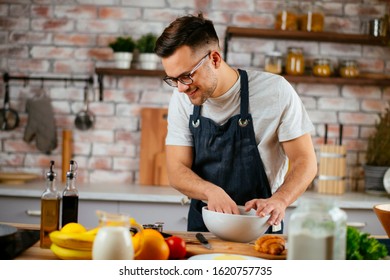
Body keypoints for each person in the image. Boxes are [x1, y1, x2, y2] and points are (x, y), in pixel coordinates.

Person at [154, 13, 317, 233]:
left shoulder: (276, 91)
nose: (181, 88)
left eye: (186, 76)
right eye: (173, 80)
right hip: (203, 232)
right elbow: (176, 169)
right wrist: (210, 191)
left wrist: (280, 200)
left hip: (261, 227)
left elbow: (305, 161)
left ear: (214, 59)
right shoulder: (182, 99)